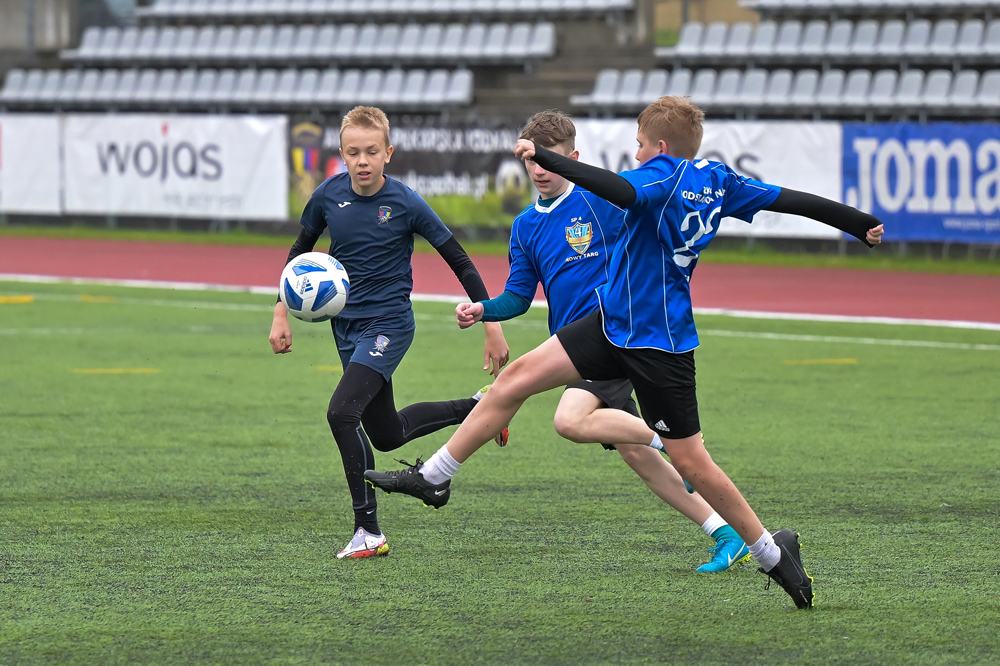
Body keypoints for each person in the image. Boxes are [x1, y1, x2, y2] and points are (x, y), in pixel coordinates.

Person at [365, 96, 885, 608]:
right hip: (612, 322)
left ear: (660, 148)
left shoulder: (657, 178)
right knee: (515, 379)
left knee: (691, 461)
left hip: (657, 341)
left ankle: (772, 552)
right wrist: (857, 221)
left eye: (639, 145)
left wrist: (544, 155)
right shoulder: (719, 179)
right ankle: (433, 477)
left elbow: (617, 188)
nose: (635, 154)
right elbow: (788, 199)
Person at [450, 110, 749, 572]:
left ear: (572, 158)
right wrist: (483, 310)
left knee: (569, 420)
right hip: (573, 350)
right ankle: (725, 532)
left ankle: (669, 441)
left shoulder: (600, 201)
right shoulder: (526, 224)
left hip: (616, 336)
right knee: (634, 452)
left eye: (549, 159)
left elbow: (650, 219)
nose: (539, 169)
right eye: (532, 160)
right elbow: (518, 297)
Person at [269, 106, 510, 560]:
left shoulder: (406, 203)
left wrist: (491, 323)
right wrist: (280, 310)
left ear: (388, 153)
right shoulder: (327, 196)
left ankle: (368, 530)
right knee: (387, 433)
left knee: (341, 414)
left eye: (372, 151)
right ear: (341, 154)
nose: (362, 161)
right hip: (346, 326)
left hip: (389, 324)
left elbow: (459, 260)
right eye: (353, 152)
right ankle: (481, 407)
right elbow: (299, 251)